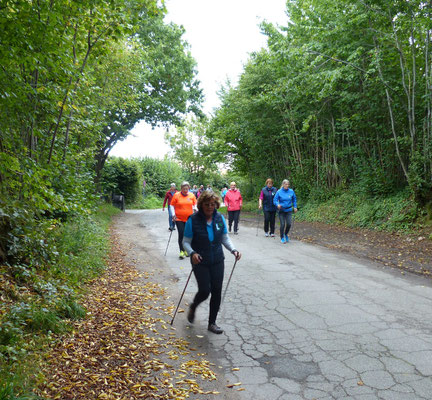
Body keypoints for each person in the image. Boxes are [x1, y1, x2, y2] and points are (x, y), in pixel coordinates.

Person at [183, 190, 241, 334]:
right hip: (200, 260)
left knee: (216, 291)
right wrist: (192, 253)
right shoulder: (193, 220)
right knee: (204, 290)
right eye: (207, 204)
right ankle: (194, 306)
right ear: (201, 205)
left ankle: (212, 323)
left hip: (217, 260)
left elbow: (224, 238)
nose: (210, 207)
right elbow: (185, 242)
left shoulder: (219, 218)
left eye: (213, 204)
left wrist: (233, 250)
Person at [170, 181, 197, 259]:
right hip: (179, 218)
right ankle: (181, 251)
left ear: (189, 188)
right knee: (181, 234)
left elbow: (195, 204)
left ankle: (187, 250)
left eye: (187, 189)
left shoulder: (191, 195)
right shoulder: (176, 195)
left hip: (189, 218)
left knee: (188, 235)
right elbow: (171, 205)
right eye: (184, 189)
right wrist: (173, 215)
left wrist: (195, 209)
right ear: (181, 188)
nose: (185, 190)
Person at [273, 179, 297, 244]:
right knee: (282, 224)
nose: (287, 185)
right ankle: (282, 237)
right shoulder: (279, 192)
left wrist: (295, 207)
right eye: (286, 184)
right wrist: (277, 204)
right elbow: (275, 200)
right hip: (281, 210)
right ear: (283, 184)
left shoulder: (291, 191)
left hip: (289, 210)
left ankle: (285, 234)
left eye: (288, 184)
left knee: (289, 224)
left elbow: (294, 199)